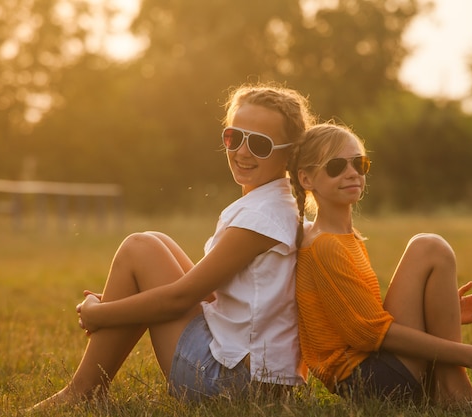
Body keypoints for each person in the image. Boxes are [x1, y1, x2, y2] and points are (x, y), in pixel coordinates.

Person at [29, 83, 316, 410]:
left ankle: (81, 393)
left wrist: (101, 314)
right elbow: (210, 295)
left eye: (260, 144)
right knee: (156, 242)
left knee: (138, 247)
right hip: (249, 379)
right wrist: (130, 300)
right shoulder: (276, 205)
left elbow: (180, 298)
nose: (242, 151)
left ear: (289, 153)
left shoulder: (260, 217)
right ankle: (86, 392)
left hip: (229, 385)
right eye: (234, 137)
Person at [288, 122, 472, 408]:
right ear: (306, 179)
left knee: (428, 246)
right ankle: (455, 392)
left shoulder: (347, 238)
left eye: (359, 164)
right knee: (428, 246)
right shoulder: (324, 246)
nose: (351, 173)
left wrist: (443, 314)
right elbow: (372, 335)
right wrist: (470, 355)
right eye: (335, 166)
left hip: (377, 366)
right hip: (368, 379)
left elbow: (365, 320)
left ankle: (450, 388)